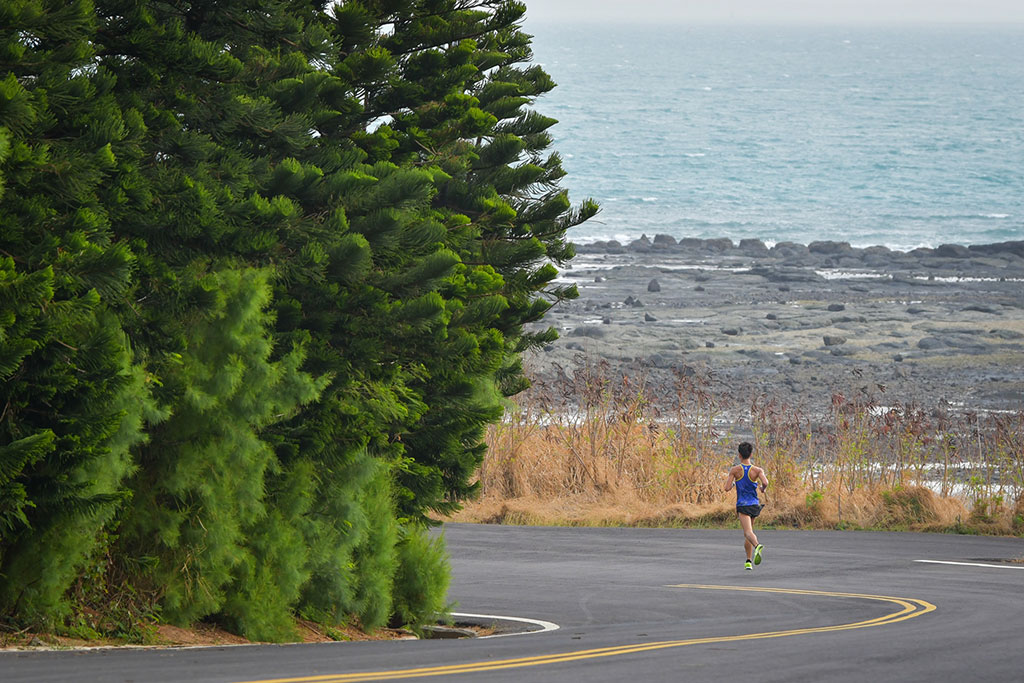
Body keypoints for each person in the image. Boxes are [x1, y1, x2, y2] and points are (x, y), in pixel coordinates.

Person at [723, 441, 768, 570]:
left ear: (739, 455)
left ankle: (757, 546)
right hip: (754, 505)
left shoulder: (735, 470)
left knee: (748, 532)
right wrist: (762, 488)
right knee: (748, 533)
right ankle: (748, 561)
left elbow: (726, 488)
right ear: (751, 454)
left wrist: (733, 485)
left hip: (743, 505)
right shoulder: (757, 470)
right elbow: (765, 482)